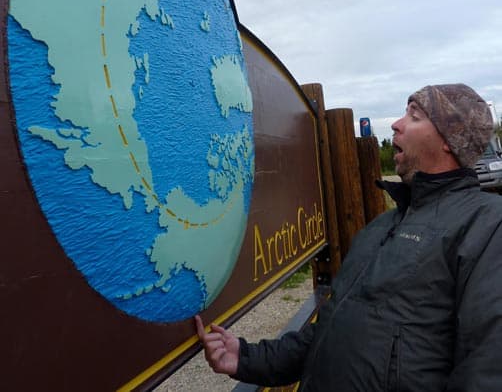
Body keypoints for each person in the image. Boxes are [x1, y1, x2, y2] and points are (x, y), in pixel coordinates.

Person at [196, 83, 502, 391]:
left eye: (414, 115)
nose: (396, 124)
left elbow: (487, 368)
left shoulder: (487, 224)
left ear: (450, 139)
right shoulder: (379, 228)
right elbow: (324, 337)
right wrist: (245, 357)